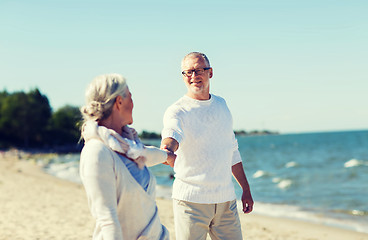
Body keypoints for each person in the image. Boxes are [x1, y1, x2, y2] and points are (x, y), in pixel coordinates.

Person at [161, 52, 254, 240]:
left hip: (226, 200)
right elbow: (172, 133)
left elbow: (232, 151)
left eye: (199, 70)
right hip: (190, 202)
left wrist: (246, 189)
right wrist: (167, 150)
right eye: (188, 72)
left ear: (210, 73)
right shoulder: (177, 110)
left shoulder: (222, 105)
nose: (193, 76)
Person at [79, 73, 175, 240]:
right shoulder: (97, 153)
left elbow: (147, 154)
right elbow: (108, 221)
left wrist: (168, 156)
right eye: (130, 97)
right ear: (119, 101)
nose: (133, 103)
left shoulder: (129, 147)